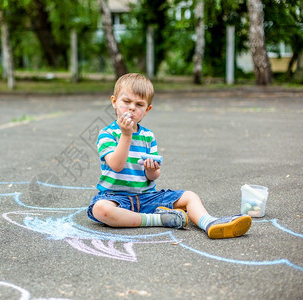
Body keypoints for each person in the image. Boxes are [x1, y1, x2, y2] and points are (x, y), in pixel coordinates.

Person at [87, 73, 251, 239]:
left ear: (147, 110)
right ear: (114, 102)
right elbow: (116, 165)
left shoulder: (147, 136)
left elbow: (153, 176)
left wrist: (152, 170)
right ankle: (158, 219)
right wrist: (126, 135)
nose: (131, 108)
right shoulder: (107, 134)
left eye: (139, 104)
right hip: (115, 198)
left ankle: (210, 223)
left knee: (190, 196)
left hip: (146, 197)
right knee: (101, 210)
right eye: (126, 102)